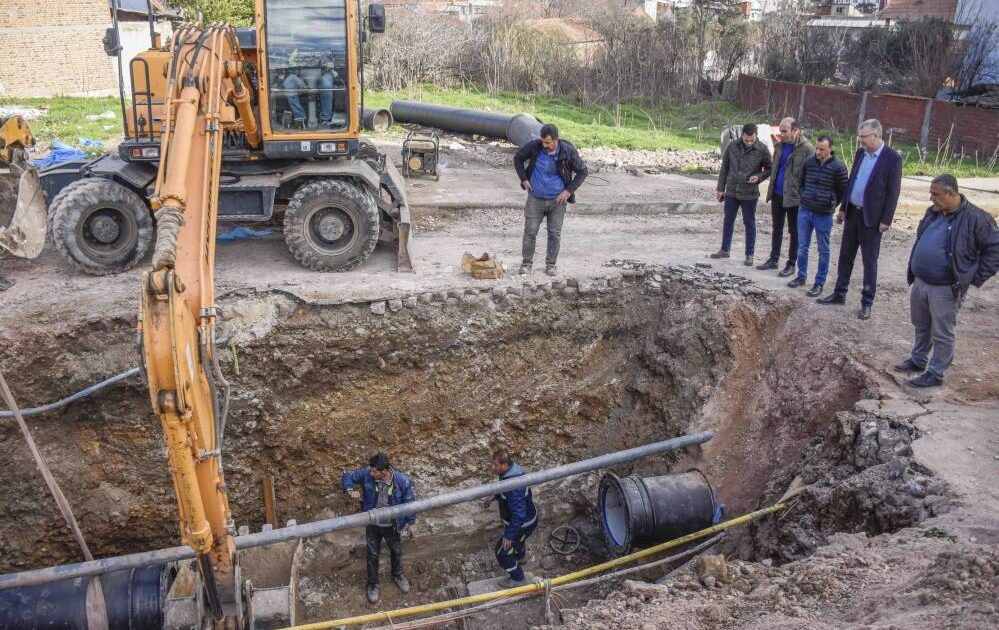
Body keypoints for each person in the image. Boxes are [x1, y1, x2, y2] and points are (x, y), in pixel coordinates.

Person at [895, 175, 999, 388]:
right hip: (921, 281)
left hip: (946, 288)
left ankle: (936, 373)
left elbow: (995, 249)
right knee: (921, 325)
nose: (931, 198)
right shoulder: (933, 212)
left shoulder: (977, 218)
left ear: (951, 193)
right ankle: (918, 359)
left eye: (935, 194)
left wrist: (973, 276)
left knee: (942, 331)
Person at [817, 119, 902, 319]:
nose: (861, 141)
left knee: (869, 261)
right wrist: (844, 207)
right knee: (845, 256)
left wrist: (886, 220)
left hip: (872, 218)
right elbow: (852, 180)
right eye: (860, 137)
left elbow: (893, 192)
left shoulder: (892, 159)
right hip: (853, 213)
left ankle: (867, 302)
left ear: (876, 136)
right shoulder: (860, 153)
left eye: (864, 137)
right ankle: (839, 293)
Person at [513, 123, 588, 276]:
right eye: (543, 142)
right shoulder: (535, 147)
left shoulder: (568, 152)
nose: (544, 145)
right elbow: (518, 158)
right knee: (530, 232)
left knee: (554, 233)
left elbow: (583, 171)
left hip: (557, 201)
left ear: (556, 140)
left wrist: (567, 192)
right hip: (535, 198)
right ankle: (526, 263)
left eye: (548, 142)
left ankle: (551, 264)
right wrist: (524, 179)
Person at [342, 453, 416, 604]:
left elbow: (409, 503)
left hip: (392, 525)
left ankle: (397, 575)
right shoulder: (368, 475)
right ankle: (373, 584)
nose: (370, 473)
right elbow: (347, 475)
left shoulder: (402, 481)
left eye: (374, 471)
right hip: (373, 525)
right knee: (372, 555)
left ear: (384, 472)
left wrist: (411, 523)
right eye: (371, 470)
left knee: (396, 551)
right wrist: (350, 490)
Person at [787, 136, 848, 298]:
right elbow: (801, 182)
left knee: (823, 250)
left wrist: (831, 204)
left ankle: (819, 283)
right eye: (817, 148)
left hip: (824, 215)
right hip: (805, 211)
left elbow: (843, 190)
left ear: (830, 149)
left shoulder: (838, 167)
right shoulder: (809, 162)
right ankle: (801, 276)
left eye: (822, 149)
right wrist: (804, 197)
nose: (818, 152)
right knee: (802, 246)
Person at [712, 123, 773, 266]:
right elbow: (725, 167)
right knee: (728, 221)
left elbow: (770, 168)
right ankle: (725, 249)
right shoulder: (732, 146)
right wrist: (720, 188)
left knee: (749, 223)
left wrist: (758, 177)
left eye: (752, 140)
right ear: (742, 136)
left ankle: (749, 254)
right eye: (746, 140)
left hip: (750, 193)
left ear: (756, 136)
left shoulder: (762, 149)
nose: (749, 143)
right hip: (732, 191)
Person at [760, 118, 814, 276]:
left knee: (794, 231)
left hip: (795, 198)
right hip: (777, 194)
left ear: (796, 130)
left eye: (785, 131)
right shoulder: (779, 146)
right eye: (780, 131)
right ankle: (773, 259)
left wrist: (804, 195)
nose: (781, 134)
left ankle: (791, 264)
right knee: (777, 228)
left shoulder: (807, 150)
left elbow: (812, 175)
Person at [483, 448, 538, 588]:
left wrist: (508, 536)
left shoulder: (513, 486)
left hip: (522, 525)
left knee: (502, 552)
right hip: (527, 521)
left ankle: (518, 578)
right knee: (518, 543)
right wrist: (494, 496)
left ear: (504, 464)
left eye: (495, 464)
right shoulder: (512, 472)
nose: (492, 467)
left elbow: (519, 515)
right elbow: (505, 491)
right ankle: (520, 557)